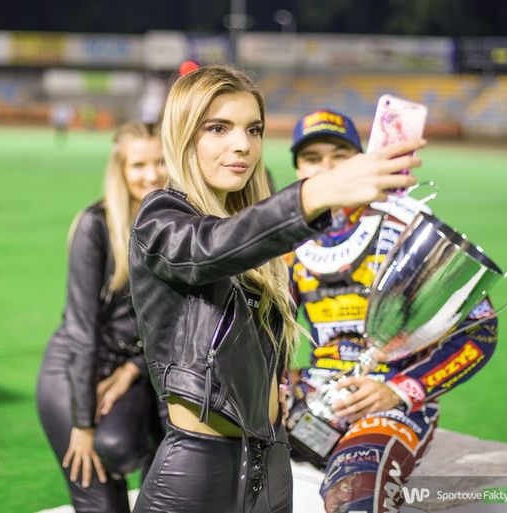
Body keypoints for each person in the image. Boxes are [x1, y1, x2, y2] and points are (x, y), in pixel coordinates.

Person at [127, 66, 424, 513]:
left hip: (271, 461)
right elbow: (210, 249)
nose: (243, 145)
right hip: (197, 473)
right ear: (183, 135)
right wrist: (319, 191)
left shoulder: (251, 234)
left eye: (254, 129)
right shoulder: (161, 218)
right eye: (218, 128)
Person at [283, 109, 499, 513]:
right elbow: (263, 332)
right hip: (315, 395)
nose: (326, 168)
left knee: (354, 493)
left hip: (388, 400)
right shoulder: (288, 240)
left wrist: (399, 390)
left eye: (340, 156)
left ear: (361, 160)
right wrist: (278, 387)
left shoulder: (408, 226)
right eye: (312, 158)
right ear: (298, 168)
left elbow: (480, 330)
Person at [36, 122, 167, 513]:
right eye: (138, 165)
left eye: (160, 162)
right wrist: (82, 423)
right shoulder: (96, 225)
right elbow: (81, 330)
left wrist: (132, 369)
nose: (151, 174)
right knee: (101, 502)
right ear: (120, 170)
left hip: (137, 370)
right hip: (76, 374)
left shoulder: (178, 225)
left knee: (161, 486)